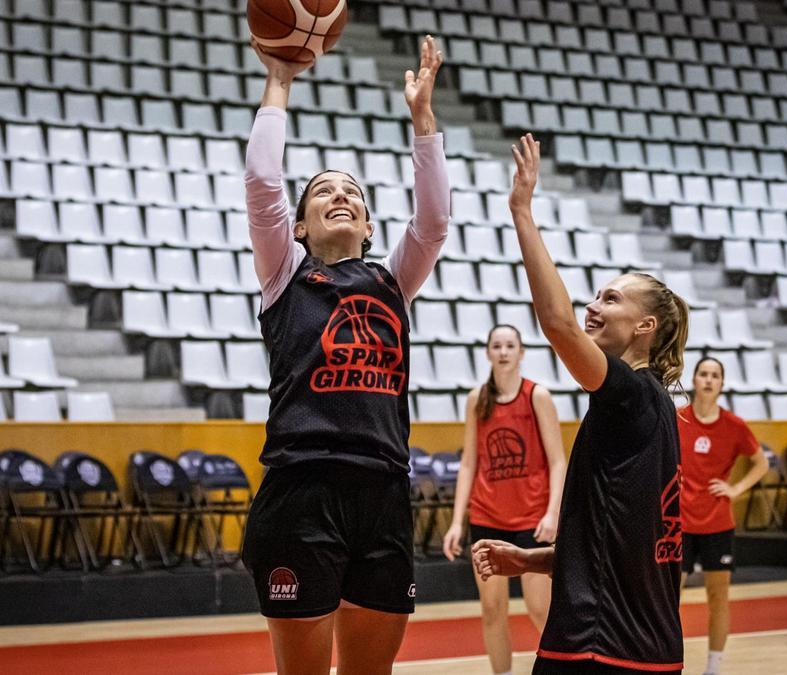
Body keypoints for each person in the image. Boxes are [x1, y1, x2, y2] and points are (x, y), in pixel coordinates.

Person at [239, 36, 447, 675]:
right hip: (304, 489)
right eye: (323, 191)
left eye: (352, 194)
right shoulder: (285, 275)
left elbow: (434, 222)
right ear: (297, 225)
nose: (340, 197)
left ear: (369, 226)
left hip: (382, 492)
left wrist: (422, 121)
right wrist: (280, 80)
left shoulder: (392, 280)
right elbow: (261, 181)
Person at [473, 134, 690, 674]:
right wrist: (533, 560)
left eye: (610, 299)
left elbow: (558, 324)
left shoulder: (632, 395)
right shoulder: (651, 407)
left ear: (646, 327)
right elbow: (620, 543)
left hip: (600, 644)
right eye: (595, 295)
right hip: (647, 648)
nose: (594, 307)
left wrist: (522, 212)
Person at [442, 324, 568, 675]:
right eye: (496, 345)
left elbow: (559, 461)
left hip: (532, 518)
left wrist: (552, 512)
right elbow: (468, 463)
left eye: (510, 345)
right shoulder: (476, 399)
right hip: (487, 518)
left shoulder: (537, 396)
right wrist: (456, 522)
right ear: (487, 353)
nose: (503, 351)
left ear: (521, 352)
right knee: (492, 610)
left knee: (540, 609)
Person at [677, 356, 770, 675]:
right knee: (668, 599)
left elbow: (762, 463)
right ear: (694, 380)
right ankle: (666, 660)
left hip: (717, 523)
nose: (708, 380)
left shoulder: (734, 426)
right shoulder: (678, 419)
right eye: (703, 373)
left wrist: (735, 488)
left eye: (714, 375)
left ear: (721, 384)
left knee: (718, 597)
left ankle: (714, 667)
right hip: (679, 523)